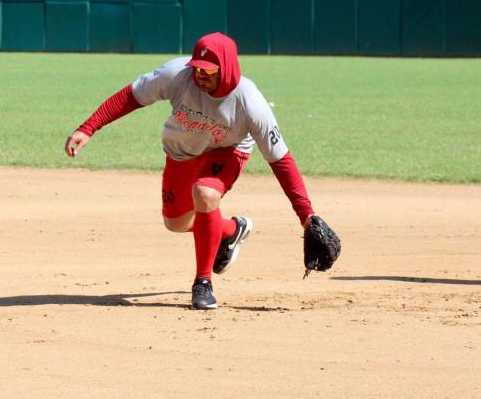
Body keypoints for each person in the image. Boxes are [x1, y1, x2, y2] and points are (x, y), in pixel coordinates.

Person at [64, 32, 315, 310]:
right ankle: (231, 230)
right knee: (176, 223)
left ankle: (202, 283)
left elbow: (281, 162)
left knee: (205, 194)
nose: (199, 74)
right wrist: (88, 128)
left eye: (208, 71)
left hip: (227, 151)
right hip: (181, 152)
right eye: (196, 67)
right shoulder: (176, 74)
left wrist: (306, 217)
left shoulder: (250, 102)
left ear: (226, 69)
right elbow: (130, 96)